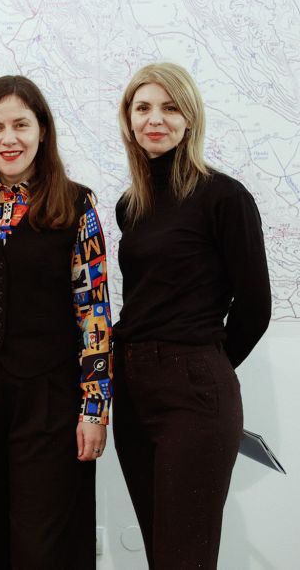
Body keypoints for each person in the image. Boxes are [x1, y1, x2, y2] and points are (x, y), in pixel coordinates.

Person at [0, 75, 113, 569]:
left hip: (48, 402)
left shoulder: (76, 205)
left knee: (41, 546)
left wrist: (94, 410)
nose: (8, 139)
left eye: (20, 125)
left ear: (42, 131)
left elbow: (94, 311)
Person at [112, 62, 271, 569]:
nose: (155, 119)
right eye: (142, 108)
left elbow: (255, 306)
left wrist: (203, 365)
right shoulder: (130, 205)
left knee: (184, 558)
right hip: (132, 389)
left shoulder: (224, 197)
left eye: (169, 107)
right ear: (129, 120)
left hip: (194, 392)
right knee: (161, 553)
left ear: (190, 118)